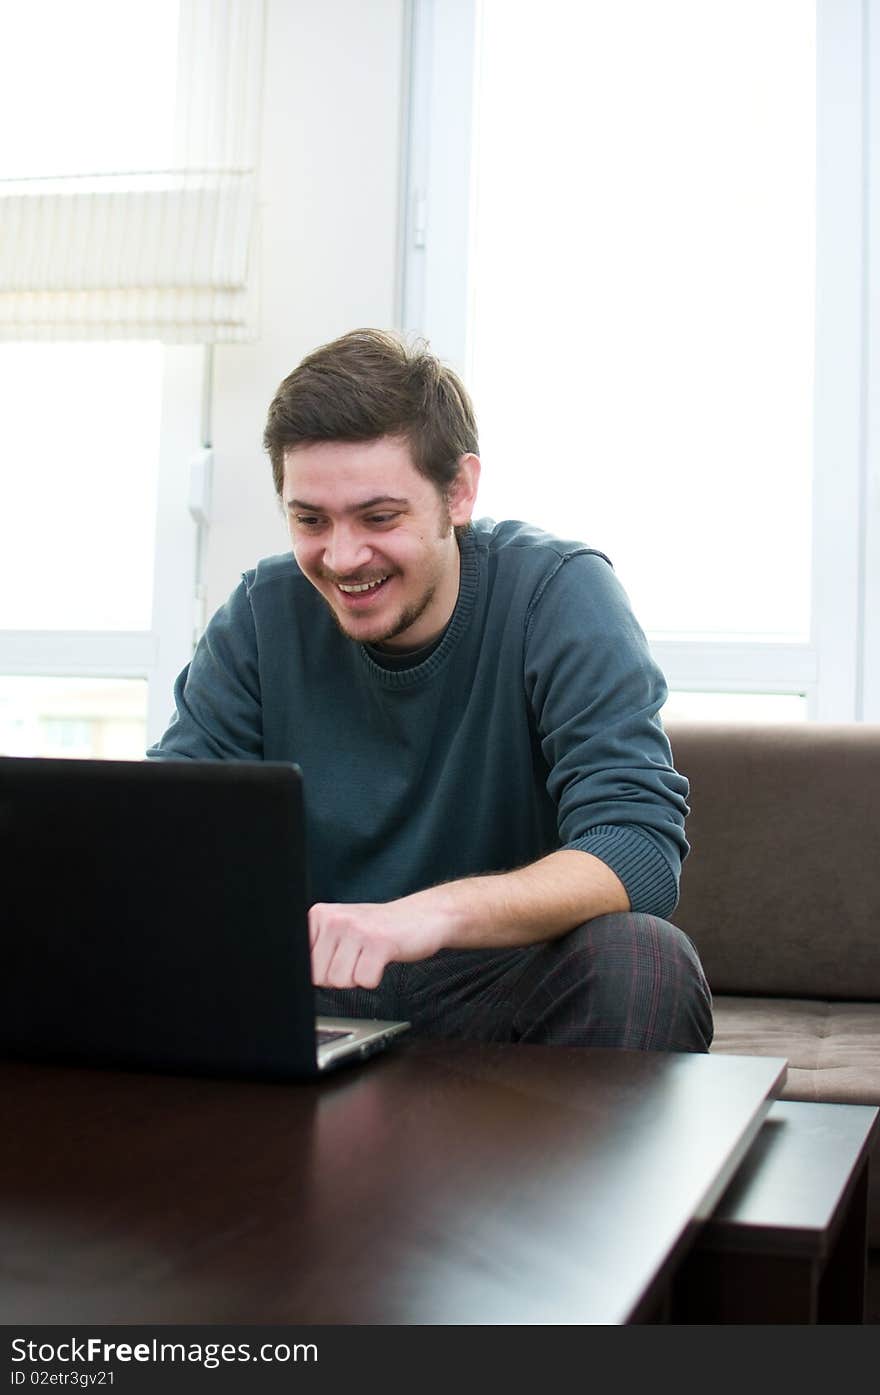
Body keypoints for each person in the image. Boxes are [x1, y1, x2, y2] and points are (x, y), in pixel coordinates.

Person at [148, 327, 713, 1052]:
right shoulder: (262, 614)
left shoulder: (559, 594)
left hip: (495, 981)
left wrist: (425, 915)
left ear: (459, 492)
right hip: (312, 982)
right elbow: (166, 836)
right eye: (309, 519)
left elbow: (637, 848)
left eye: (380, 517)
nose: (343, 556)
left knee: (646, 958)